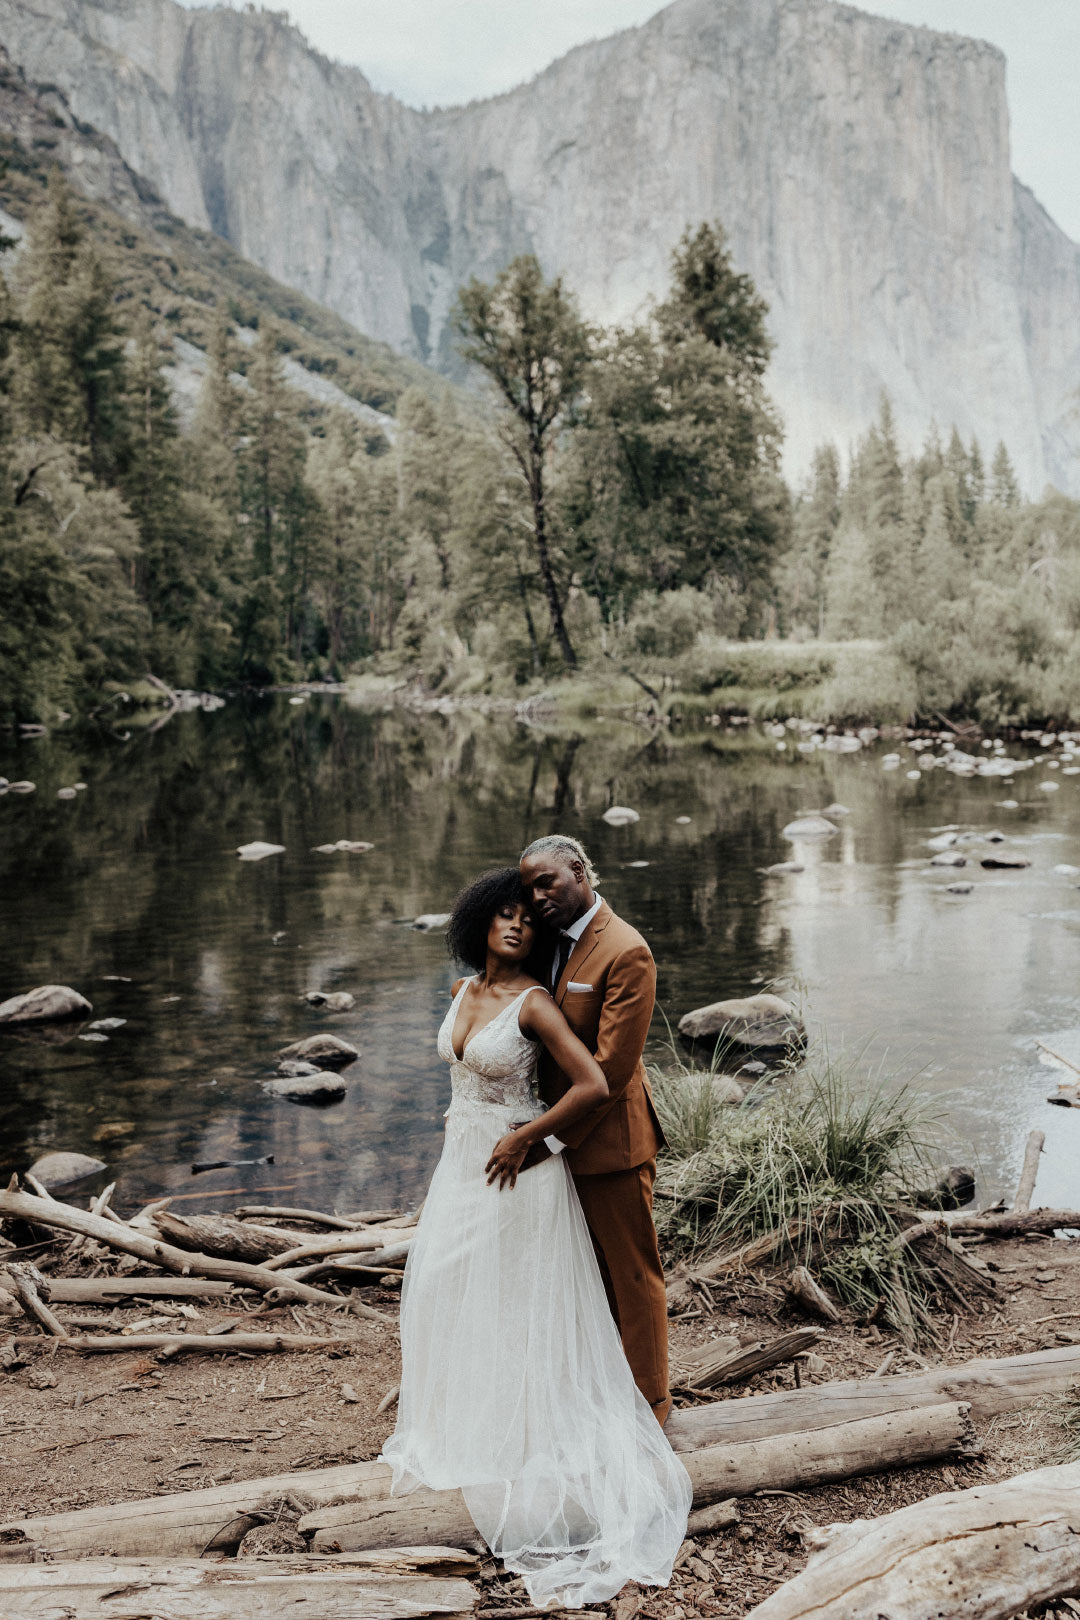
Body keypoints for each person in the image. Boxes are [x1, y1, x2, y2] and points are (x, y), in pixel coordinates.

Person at [380, 868, 690, 1610]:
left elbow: (592, 1081)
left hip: (519, 1169)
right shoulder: (460, 994)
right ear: (478, 924)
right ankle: (473, 1417)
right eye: (504, 916)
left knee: (524, 1295)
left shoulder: (538, 1000)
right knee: (453, 1290)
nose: (517, 926)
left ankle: (634, 1412)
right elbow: (463, 1078)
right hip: (463, 1164)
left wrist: (530, 1138)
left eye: (529, 916)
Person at [494, 835, 671, 1424]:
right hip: (556, 1137)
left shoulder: (625, 950)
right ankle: (595, 1394)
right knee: (582, 1274)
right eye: (529, 889)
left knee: (631, 1274)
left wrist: (543, 1140)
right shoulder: (549, 941)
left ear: (578, 870)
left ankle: (651, 1405)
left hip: (610, 1145)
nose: (538, 897)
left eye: (547, 882)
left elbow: (612, 1073)